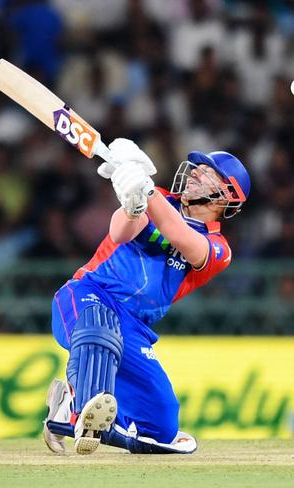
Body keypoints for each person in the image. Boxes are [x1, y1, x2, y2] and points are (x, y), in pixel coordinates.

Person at [43, 138, 250, 455]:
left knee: (162, 428)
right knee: (99, 327)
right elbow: (119, 232)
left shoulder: (219, 248)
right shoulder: (159, 199)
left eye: (207, 173)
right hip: (88, 294)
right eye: (197, 168)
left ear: (228, 195)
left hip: (134, 328)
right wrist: (132, 204)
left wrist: (146, 189)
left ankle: (70, 414)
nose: (194, 174)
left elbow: (182, 238)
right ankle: (78, 405)